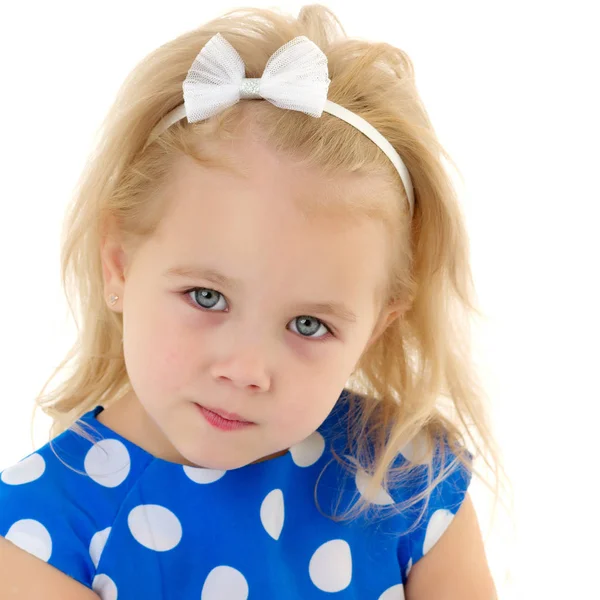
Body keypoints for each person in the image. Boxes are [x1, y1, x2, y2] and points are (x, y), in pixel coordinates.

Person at [0, 4, 503, 599]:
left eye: (309, 324)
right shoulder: (42, 538)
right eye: (206, 296)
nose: (245, 370)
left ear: (375, 329)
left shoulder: (406, 481)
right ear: (120, 264)